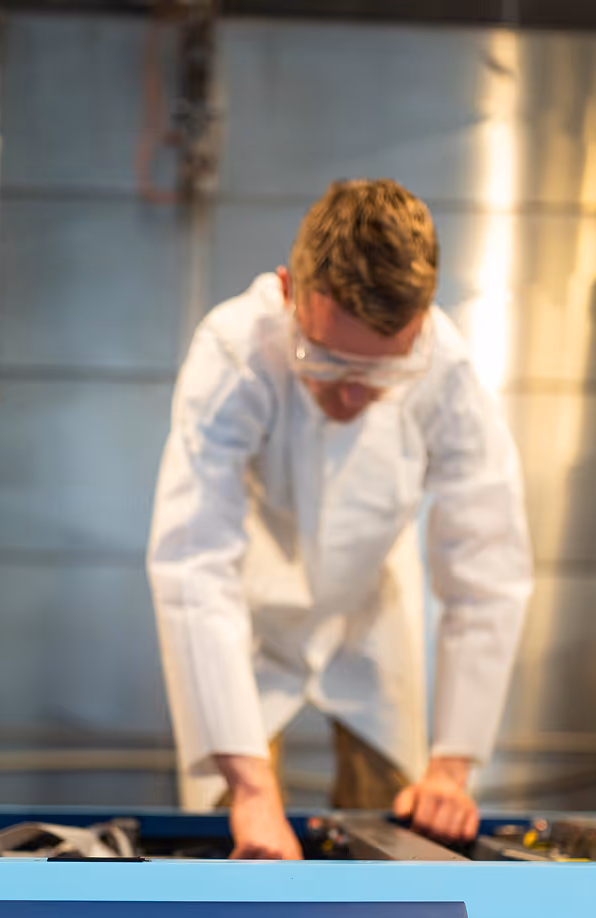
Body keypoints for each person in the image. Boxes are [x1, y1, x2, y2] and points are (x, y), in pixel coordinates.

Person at [147, 178, 533, 859]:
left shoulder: (447, 369)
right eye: (325, 360)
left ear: (420, 324)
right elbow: (194, 561)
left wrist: (453, 765)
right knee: (233, 838)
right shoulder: (234, 352)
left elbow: (488, 569)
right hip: (242, 615)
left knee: (401, 837)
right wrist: (252, 791)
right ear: (289, 290)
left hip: (369, 613)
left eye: (381, 373)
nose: (353, 394)